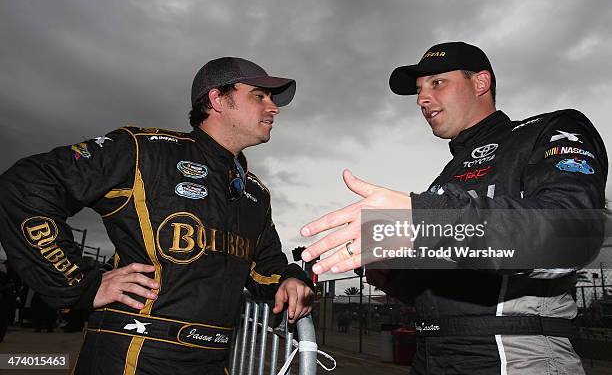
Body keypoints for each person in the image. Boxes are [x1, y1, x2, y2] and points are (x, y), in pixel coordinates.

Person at [300, 42, 608, 374]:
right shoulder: (445, 180)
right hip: (432, 354)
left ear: (480, 83)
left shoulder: (547, 131)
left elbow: (571, 236)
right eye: (419, 90)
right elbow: (443, 286)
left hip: (514, 354)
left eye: (437, 83)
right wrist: (387, 269)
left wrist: (425, 220)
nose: (421, 99)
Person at [0, 57, 314, 374]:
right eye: (259, 96)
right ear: (217, 99)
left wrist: (289, 279)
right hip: (134, 354)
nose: (273, 108)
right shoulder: (144, 150)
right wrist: (80, 283)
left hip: (213, 360)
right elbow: (26, 185)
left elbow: (266, 265)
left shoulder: (255, 192)